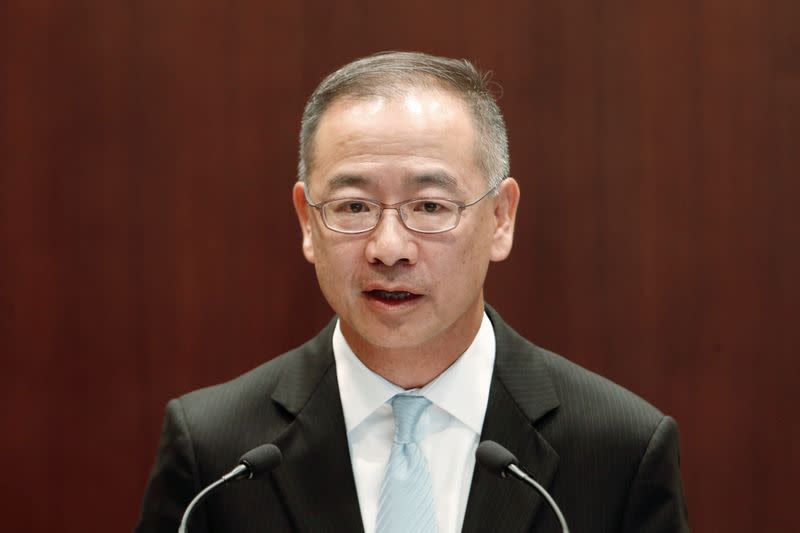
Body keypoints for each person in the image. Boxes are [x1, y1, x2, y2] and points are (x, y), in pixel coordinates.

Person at [136, 51, 689, 533]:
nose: (389, 247)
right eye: (353, 206)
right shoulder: (216, 453)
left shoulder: (619, 449)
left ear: (501, 218)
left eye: (430, 206)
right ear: (307, 222)